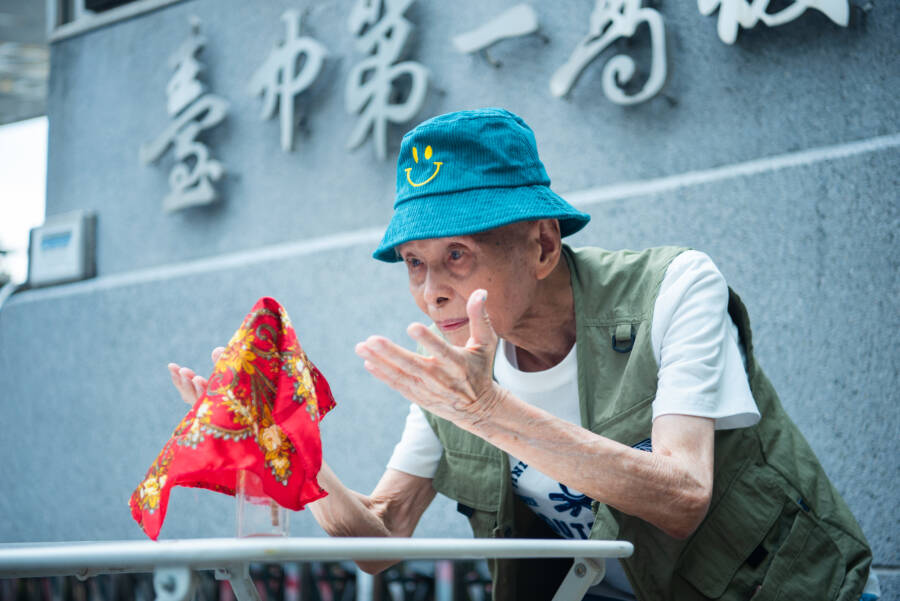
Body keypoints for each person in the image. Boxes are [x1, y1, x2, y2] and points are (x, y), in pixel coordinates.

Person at [169, 108, 875, 601]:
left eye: (457, 254)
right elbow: (380, 541)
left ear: (541, 245)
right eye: (413, 262)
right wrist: (285, 446)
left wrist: (488, 410)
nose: (432, 290)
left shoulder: (675, 287)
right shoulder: (456, 377)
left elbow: (683, 494)